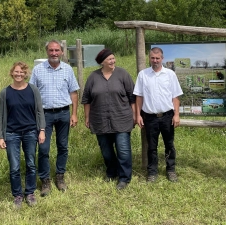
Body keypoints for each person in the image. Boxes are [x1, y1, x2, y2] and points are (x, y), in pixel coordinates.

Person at [29, 40, 80, 197]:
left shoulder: (67, 70)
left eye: (57, 50)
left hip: (64, 113)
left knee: (63, 146)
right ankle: (45, 180)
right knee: (43, 149)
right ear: (47, 52)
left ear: (62, 52)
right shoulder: (38, 70)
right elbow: (31, 93)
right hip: (44, 115)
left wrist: (74, 113)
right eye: (51, 50)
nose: (54, 53)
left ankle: (60, 177)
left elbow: (73, 93)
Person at [81, 49, 136, 190]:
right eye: (109, 59)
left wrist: (135, 115)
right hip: (99, 119)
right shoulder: (93, 77)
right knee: (106, 150)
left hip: (122, 118)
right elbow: (86, 99)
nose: (113, 61)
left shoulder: (122, 74)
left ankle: (124, 178)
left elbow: (132, 97)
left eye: (113, 58)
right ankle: (111, 172)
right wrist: (87, 117)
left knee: (123, 149)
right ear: (102, 62)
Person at [0, 62, 46, 209]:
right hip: (11, 133)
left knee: (31, 164)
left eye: (22, 72)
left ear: (26, 74)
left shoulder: (33, 90)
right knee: (14, 166)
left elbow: (39, 111)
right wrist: (1, 136)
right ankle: (17, 195)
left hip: (31, 132)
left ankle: (30, 193)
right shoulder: (4, 93)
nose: (19, 74)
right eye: (16, 72)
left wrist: (41, 130)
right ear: (12, 73)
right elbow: (0, 116)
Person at [133, 47, 183, 183]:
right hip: (149, 117)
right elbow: (139, 97)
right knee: (151, 146)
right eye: (152, 58)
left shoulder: (170, 74)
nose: (155, 61)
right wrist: (138, 115)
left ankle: (171, 170)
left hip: (167, 116)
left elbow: (176, 97)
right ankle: (152, 172)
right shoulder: (143, 75)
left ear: (162, 58)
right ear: (149, 58)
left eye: (157, 58)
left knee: (169, 144)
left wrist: (176, 114)